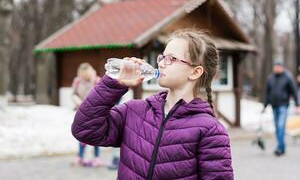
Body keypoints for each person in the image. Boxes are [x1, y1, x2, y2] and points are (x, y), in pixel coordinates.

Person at [72, 29, 233, 179]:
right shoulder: (134, 111)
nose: (161, 63)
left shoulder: (211, 130)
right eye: (162, 57)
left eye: (172, 59)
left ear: (195, 72)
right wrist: (112, 85)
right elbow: (84, 130)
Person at [263, 60, 300, 156]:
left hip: (283, 106)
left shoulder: (288, 77)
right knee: (277, 128)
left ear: (282, 67)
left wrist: (297, 104)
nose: (276, 68)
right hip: (274, 106)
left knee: (280, 126)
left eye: (278, 66)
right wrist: (265, 105)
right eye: (275, 66)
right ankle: (282, 147)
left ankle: (279, 148)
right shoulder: (270, 78)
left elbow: (294, 91)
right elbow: (267, 93)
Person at [71, 63, 103, 167]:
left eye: (86, 74)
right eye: (82, 74)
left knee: (96, 135)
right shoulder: (77, 81)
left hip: (95, 112)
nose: (84, 77)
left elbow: (101, 95)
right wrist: (79, 102)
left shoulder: (97, 81)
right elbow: (73, 94)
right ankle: (80, 157)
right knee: (82, 134)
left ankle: (96, 158)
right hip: (81, 111)